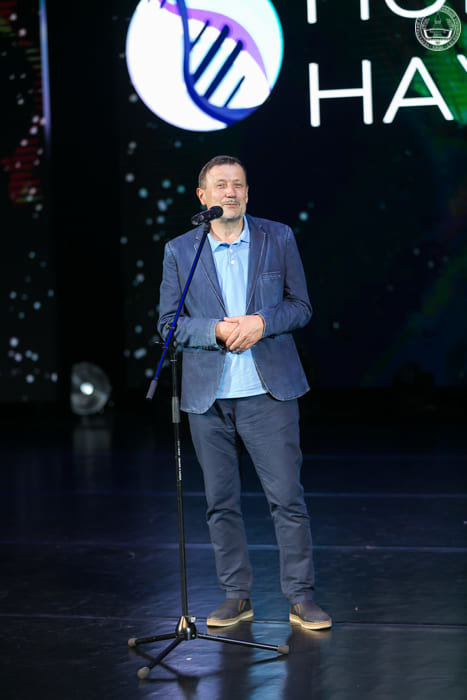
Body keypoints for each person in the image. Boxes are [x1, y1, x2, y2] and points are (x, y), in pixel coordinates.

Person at [157, 155, 331, 630]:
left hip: (268, 393)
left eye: (237, 185)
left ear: (248, 193)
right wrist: (214, 329)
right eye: (220, 185)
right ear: (203, 197)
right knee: (220, 503)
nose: (230, 192)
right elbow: (168, 325)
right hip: (207, 398)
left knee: (286, 498)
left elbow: (300, 307)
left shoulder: (278, 237)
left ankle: (300, 597)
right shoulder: (181, 250)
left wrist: (261, 322)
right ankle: (236, 595)